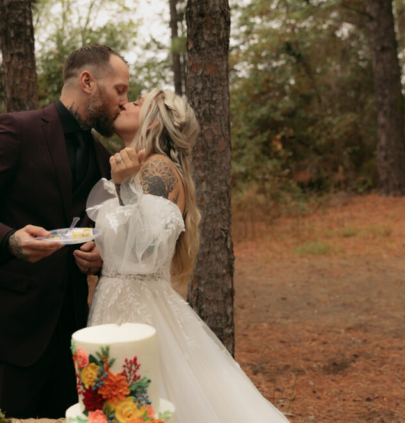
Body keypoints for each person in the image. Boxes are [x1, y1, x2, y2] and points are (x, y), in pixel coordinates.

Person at [0, 44, 130, 419]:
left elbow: (90, 226)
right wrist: (9, 240)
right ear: (88, 81)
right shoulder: (15, 129)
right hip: (11, 325)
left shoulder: (100, 156)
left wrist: (96, 255)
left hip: (73, 328)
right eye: (120, 89)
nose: (123, 102)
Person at [86, 89, 290, 422]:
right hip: (121, 301)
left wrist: (123, 187)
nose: (125, 103)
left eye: (136, 103)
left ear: (152, 122)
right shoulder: (143, 166)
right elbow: (130, 241)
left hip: (137, 311)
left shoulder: (157, 169)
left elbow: (147, 250)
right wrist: (100, 253)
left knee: (142, 406)